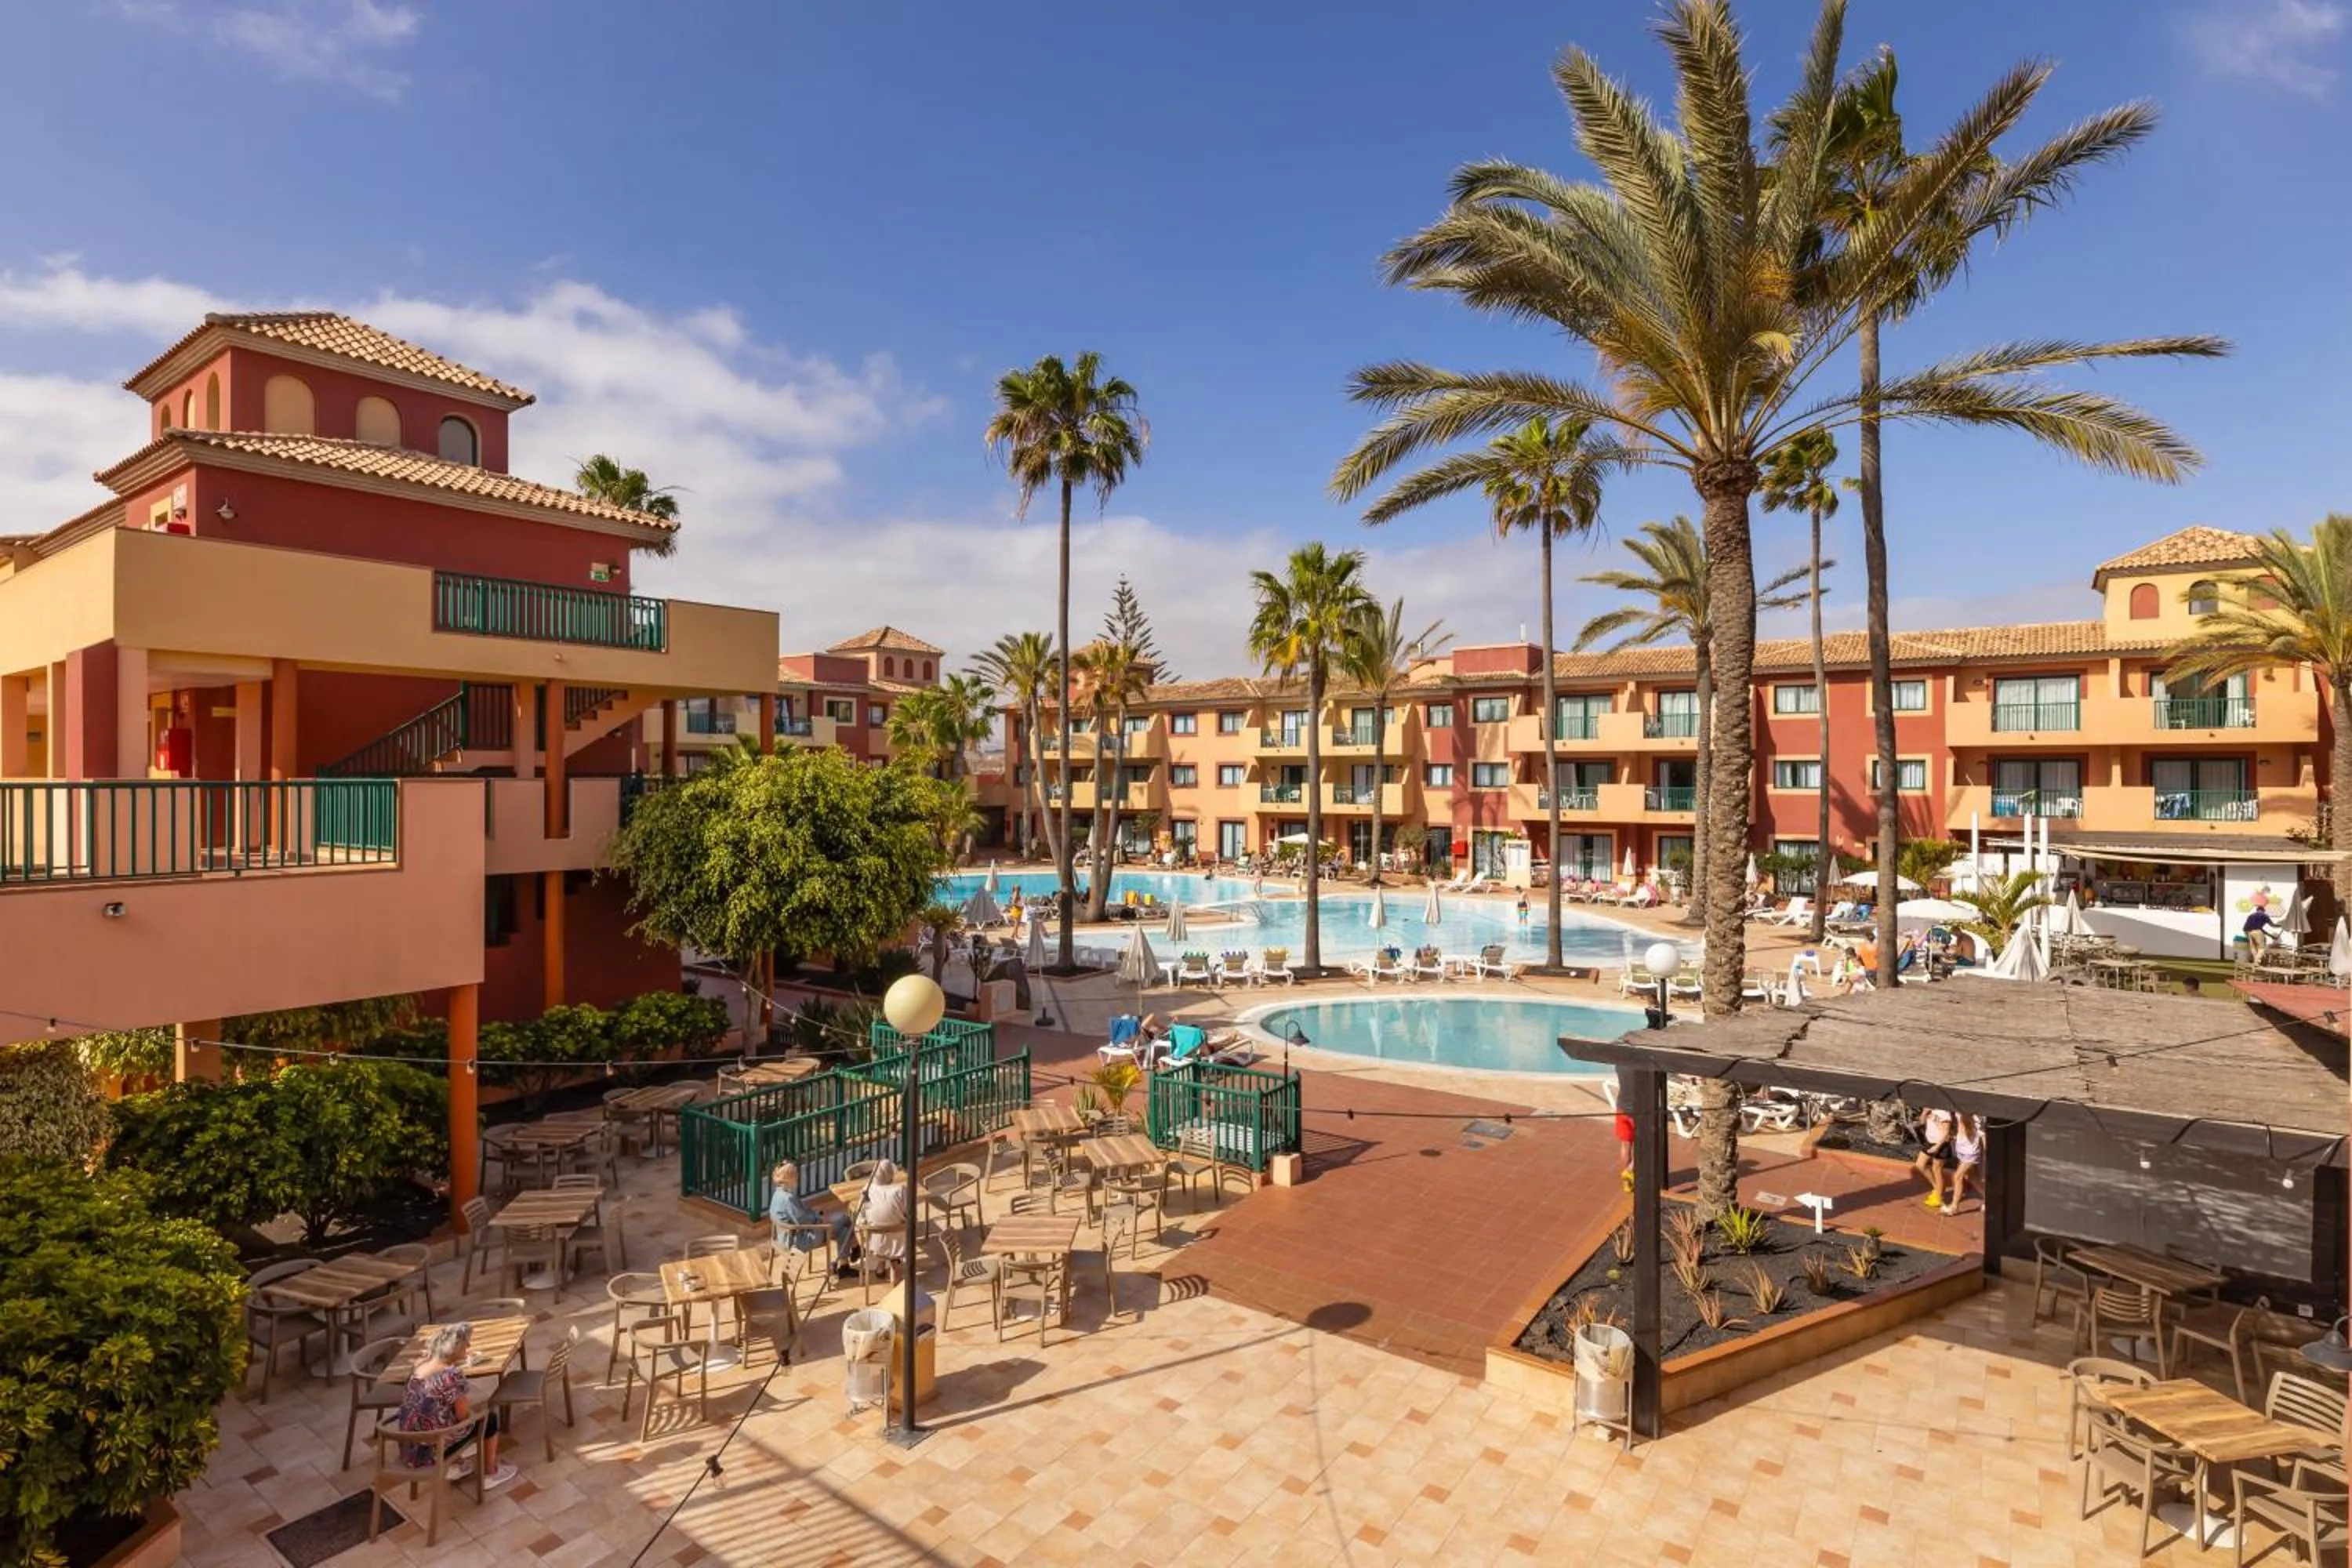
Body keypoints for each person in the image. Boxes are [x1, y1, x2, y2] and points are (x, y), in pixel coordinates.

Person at [397, 1322, 513, 1488]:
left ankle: (457, 1466)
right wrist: (476, 1414)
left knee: (440, 1416)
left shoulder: (419, 1367)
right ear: (456, 1348)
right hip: (434, 1450)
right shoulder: (451, 1375)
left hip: (411, 1446)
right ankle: (490, 1473)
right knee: (489, 1419)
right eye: (466, 1344)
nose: (469, 1346)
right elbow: (462, 1416)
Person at [769, 1160, 855, 1267]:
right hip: (800, 1240)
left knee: (845, 1229)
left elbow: (800, 1215)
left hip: (785, 1237)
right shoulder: (789, 1198)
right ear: (790, 1178)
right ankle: (851, 1254)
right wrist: (821, 1218)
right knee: (845, 1220)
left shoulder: (778, 1194)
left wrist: (817, 1214)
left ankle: (845, 1263)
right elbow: (803, 1220)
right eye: (795, 1175)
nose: (798, 1177)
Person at [858, 1159, 911, 1283]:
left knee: (880, 1224)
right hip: (898, 1243)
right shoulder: (900, 1191)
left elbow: (861, 1215)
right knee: (898, 1226)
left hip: (875, 1243)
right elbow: (910, 1213)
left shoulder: (867, 1190)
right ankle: (894, 1266)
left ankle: (881, 1266)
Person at [1912, 1106, 1957, 1210]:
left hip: (1941, 1145)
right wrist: (1925, 1112)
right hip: (1929, 1142)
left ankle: (1939, 1197)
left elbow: (1946, 1133)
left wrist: (1937, 1147)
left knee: (1937, 1170)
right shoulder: (1931, 1110)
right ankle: (1937, 1187)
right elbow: (1922, 1122)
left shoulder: (1945, 1113)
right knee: (1920, 1164)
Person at [1944, 1114, 1985, 1214]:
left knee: (1957, 1177)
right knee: (1971, 1177)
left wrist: (1985, 1154)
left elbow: (1983, 1137)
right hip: (1961, 1150)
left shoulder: (1977, 1118)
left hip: (1971, 1153)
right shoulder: (1959, 1112)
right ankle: (1989, 1198)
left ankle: (1954, 1207)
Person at [1613, 1106, 1636, 1190]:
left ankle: (1627, 1184)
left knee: (1626, 1144)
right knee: (1644, 1143)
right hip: (1635, 1111)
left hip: (1621, 1108)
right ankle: (1630, 1170)